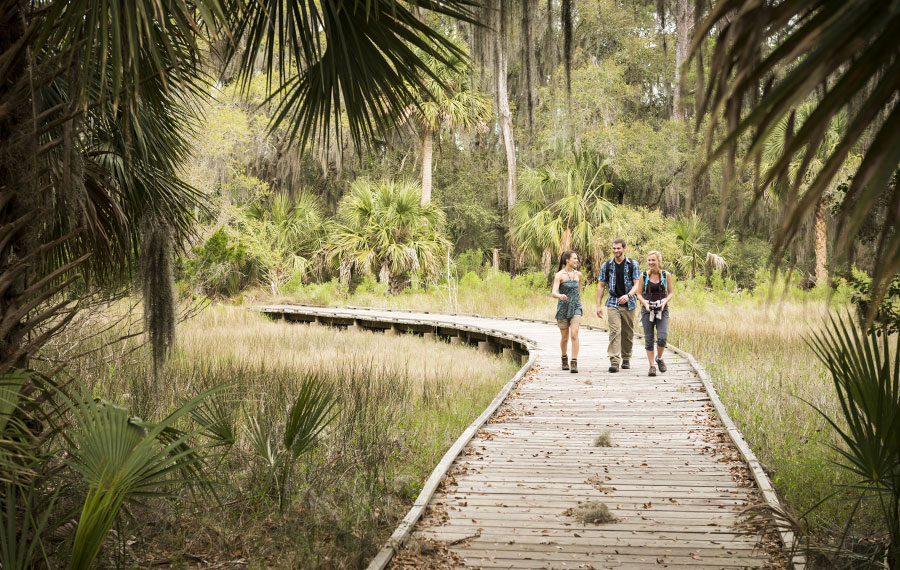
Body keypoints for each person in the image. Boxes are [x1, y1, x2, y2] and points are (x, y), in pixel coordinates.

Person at [596, 238, 641, 373]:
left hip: (629, 302)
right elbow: (601, 285)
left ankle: (626, 357)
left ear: (624, 248)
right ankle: (614, 360)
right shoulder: (607, 265)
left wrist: (628, 295)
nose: (616, 251)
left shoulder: (633, 264)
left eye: (618, 248)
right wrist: (598, 305)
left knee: (627, 332)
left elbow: (637, 283)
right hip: (612, 301)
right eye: (614, 248)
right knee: (615, 330)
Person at [636, 251, 675, 377]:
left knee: (662, 337)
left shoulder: (665, 275)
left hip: (662, 309)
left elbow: (671, 293)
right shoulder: (644, 276)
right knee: (649, 338)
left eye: (653, 260)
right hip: (647, 309)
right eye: (649, 260)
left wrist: (664, 303)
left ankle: (659, 358)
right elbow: (639, 294)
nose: (651, 263)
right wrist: (645, 305)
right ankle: (652, 366)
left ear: (659, 261)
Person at [551, 251, 583, 373]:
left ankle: (574, 362)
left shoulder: (578, 275)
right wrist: (560, 296)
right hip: (563, 308)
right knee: (565, 337)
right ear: (567, 260)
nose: (576, 261)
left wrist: (578, 303)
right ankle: (564, 358)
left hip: (575, 307)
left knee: (574, 333)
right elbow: (554, 292)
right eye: (574, 258)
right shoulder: (559, 275)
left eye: (577, 258)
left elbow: (578, 292)